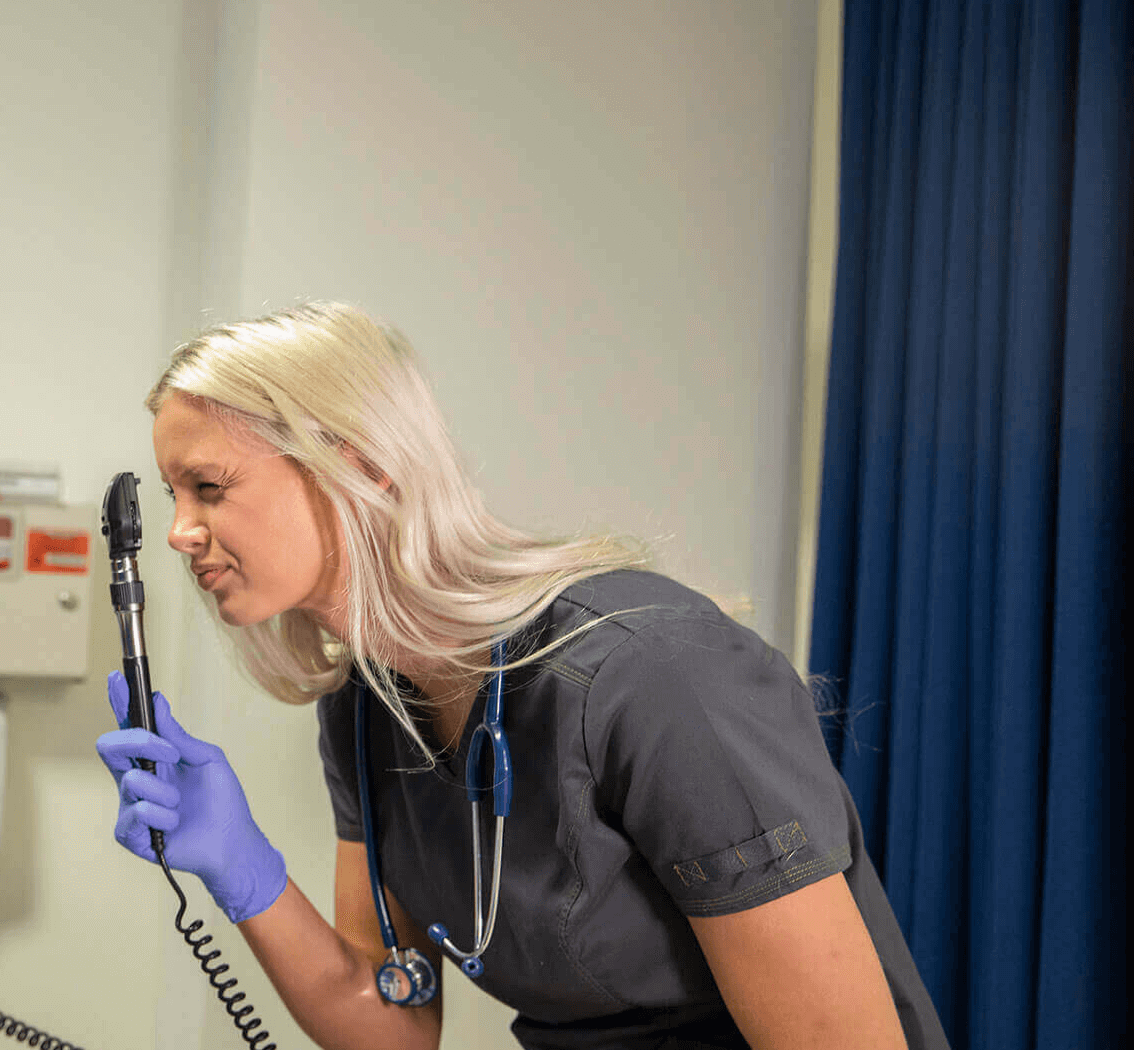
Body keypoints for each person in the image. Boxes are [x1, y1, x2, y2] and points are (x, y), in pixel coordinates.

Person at [95, 302, 946, 1050]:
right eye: (174, 495)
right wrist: (248, 874)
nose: (179, 533)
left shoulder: (655, 677)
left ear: (358, 467)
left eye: (208, 487)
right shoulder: (368, 709)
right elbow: (395, 1027)